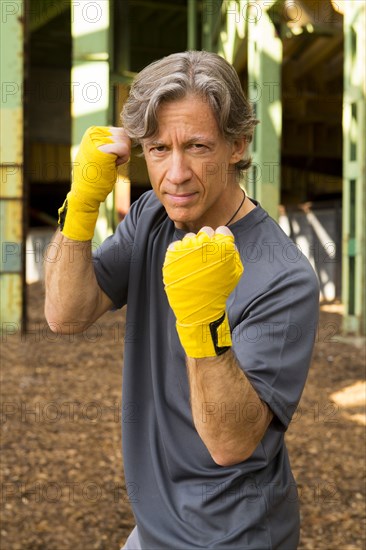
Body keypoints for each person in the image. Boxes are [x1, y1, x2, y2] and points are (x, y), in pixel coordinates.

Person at [45, 50, 320, 549]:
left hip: (230, 536)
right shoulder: (152, 215)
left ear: (237, 144)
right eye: (156, 149)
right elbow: (66, 314)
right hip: (156, 527)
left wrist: (204, 320)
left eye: (196, 146)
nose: (175, 174)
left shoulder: (284, 277)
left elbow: (231, 443)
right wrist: (81, 206)